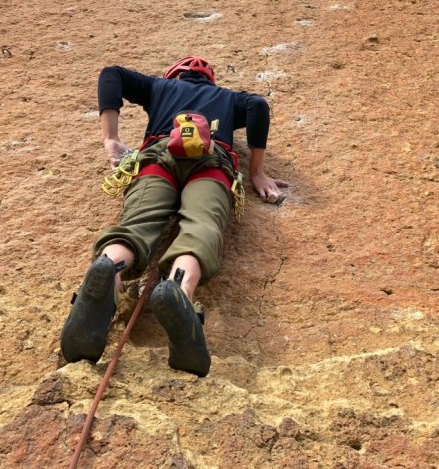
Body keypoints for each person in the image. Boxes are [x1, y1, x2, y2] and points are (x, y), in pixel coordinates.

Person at [60, 56, 287, 376]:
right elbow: (258, 107)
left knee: (136, 225)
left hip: (157, 157)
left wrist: (110, 139)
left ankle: (110, 270)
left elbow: (111, 74)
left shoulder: (159, 87)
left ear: (174, 75)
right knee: (201, 226)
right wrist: (258, 173)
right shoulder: (229, 98)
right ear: (209, 80)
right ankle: (179, 290)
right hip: (211, 164)